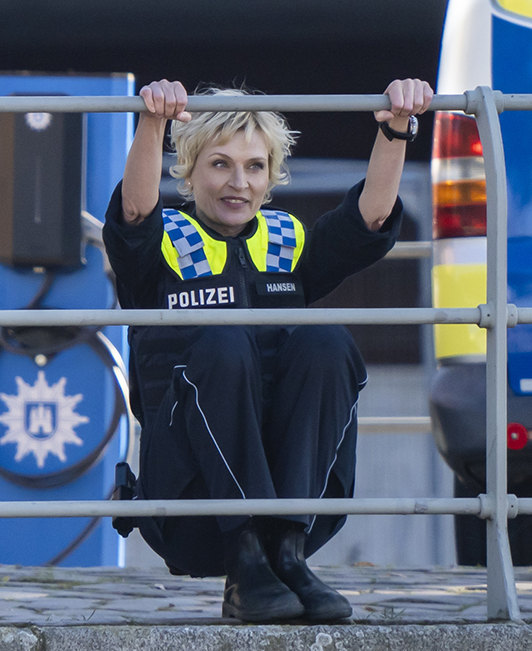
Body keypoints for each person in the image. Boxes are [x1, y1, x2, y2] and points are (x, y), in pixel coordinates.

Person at [103, 78, 433, 623]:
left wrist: (397, 127)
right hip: (190, 501)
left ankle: (287, 555)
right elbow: (135, 214)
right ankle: (246, 558)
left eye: (255, 167)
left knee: (326, 339)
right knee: (223, 338)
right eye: (220, 165)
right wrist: (153, 120)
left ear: (271, 176)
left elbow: (369, 220)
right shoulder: (162, 242)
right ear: (188, 168)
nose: (239, 183)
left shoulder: (286, 240)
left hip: (293, 500)